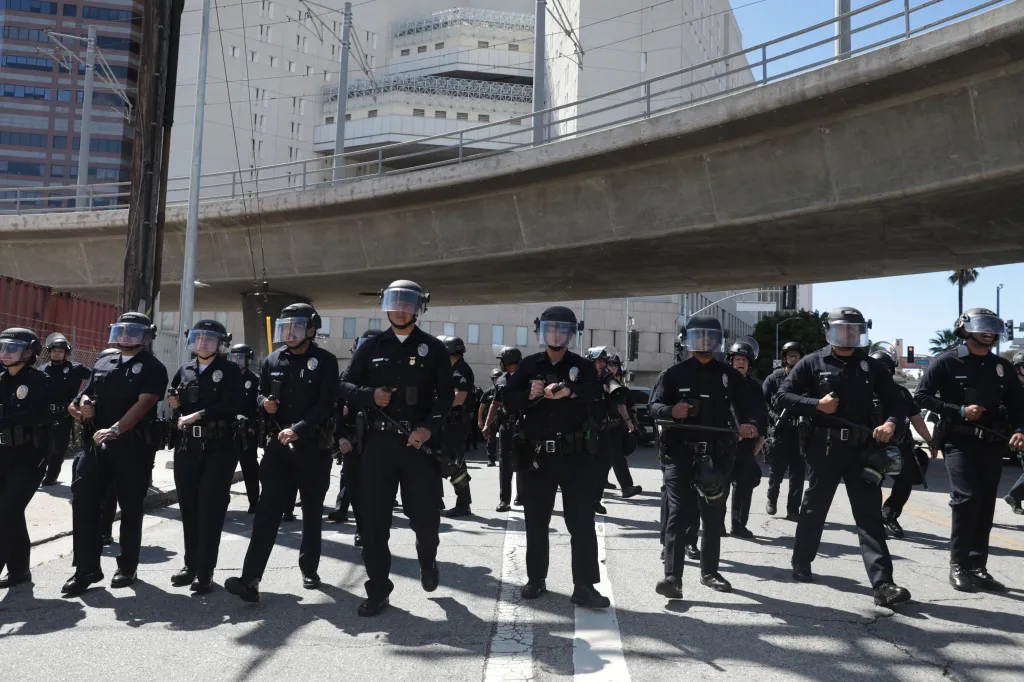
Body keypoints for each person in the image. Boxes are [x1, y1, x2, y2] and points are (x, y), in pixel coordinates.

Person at [777, 307, 911, 607]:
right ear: (829, 331)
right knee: (814, 509)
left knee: (869, 517)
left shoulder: (870, 366)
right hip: (824, 449)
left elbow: (897, 401)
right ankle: (801, 561)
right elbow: (783, 396)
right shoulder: (812, 362)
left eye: (854, 330)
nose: (848, 335)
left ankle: (883, 584)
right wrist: (816, 405)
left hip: (862, 451)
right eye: (842, 329)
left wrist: (891, 422)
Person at [338, 281, 453, 617]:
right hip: (378, 445)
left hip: (418, 446)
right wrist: (369, 396)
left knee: (426, 519)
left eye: (408, 304)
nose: (400, 309)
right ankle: (377, 590)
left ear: (419, 308)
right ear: (385, 306)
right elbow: (344, 385)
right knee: (374, 522)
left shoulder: (432, 348)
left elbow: (446, 395)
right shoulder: (372, 344)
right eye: (394, 303)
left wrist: (427, 428)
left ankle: (427, 559)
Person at [224, 303, 339, 603]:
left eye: (297, 327)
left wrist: (299, 428)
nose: (290, 333)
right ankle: (250, 579)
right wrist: (264, 403)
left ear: (312, 329)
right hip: (278, 448)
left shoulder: (325, 362)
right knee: (267, 511)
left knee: (311, 510)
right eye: (286, 328)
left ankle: (309, 568)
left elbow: (326, 404)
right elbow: (259, 392)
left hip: (313, 447)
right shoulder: (273, 359)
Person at [502, 306, 608, 608]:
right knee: (536, 521)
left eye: (563, 330)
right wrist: (529, 395)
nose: (556, 334)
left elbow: (596, 393)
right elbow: (508, 401)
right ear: (541, 332)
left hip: (575, 457)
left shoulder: (582, 366)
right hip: (536, 457)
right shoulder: (527, 365)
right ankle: (536, 578)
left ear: (571, 334)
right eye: (551, 329)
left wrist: (569, 392)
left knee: (581, 523)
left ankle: (585, 586)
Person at [915, 308, 1024, 592]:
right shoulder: (946, 362)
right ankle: (959, 564)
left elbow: (1018, 406)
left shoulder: (1003, 366)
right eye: (982, 326)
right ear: (965, 329)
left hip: (992, 442)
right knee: (966, 499)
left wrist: (1020, 430)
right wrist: (959, 410)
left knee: (986, 502)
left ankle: (978, 566)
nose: (989, 331)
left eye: (993, 327)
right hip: (958, 440)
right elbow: (922, 397)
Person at [650, 316, 758, 599]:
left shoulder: (730, 375)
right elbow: (654, 406)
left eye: (710, 337)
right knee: (678, 513)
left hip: (717, 456)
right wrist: (671, 411)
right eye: (699, 336)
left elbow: (751, 406)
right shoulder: (673, 374)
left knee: (713, 515)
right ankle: (672, 578)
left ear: (718, 340)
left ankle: (709, 572)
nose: (705, 342)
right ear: (688, 339)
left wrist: (750, 424)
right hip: (679, 454)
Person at [64, 313, 169, 595]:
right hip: (97, 446)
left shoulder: (152, 367)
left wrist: (116, 428)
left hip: (132, 447)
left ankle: (127, 566)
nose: (126, 338)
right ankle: (86, 568)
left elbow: (144, 404)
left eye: (133, 333)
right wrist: (82, 407)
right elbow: (80, 400)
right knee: (83, 502)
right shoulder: (104, 361)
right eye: (121, 332)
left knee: (131, 508)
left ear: (147, 337)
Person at [166, 320, 243, 593]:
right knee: (188, 506)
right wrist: (176, 405)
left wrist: (198, 414)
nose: (203, 343)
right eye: (199, 338)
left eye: (210, 339)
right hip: (188, 446)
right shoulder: (185, 370)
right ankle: (190, 565)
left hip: (219, 446)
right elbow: (176, 403)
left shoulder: (230, 370)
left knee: (210, 508)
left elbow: (232, 404)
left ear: (221, 343)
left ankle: (206, 571)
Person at [0, 328, 51, 588]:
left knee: (5, 513)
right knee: (11, 513)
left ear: (29, 352)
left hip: (30, 458)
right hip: (3, 455)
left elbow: (33, 416)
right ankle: (19, 571)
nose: (5, 353)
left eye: (12, 348)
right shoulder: (0, 379)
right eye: (3, 347)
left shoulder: (39, 381)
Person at [869, 342, 935, 538]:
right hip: (870, 447)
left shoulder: (902, 393)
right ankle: (871, 520)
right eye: (876, 369)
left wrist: (930, 440)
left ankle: (889, 515)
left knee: (905, 483)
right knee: (871, 485)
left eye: (885, 369)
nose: (881, 373)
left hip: (900, 445)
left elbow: (917, 419)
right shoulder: (860, 393)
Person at [328, 329, 383, 545]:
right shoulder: (348, 377)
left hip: (381, 440)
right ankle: (361, 527)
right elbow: (338, 409)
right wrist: (340, 437)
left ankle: (372, 531)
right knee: (354, 484)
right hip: (353, 439)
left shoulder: (386, 376)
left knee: (377, 489)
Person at [725, 337, 769, 539]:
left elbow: (762, 415)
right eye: (737, 359)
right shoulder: (722, 382)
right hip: (724, 444)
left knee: (745, 485)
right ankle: (716, 524)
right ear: (731, 361)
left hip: (747, 447)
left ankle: (739, 524)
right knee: (719, 485)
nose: (741, 362)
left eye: (744, 359)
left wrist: (759, 441)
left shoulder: (755, 387)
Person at [586, 346, 636, 515]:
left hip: (605, 430)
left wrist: (628, 420)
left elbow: (620, 402)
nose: (602, 364)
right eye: (598, 361)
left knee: (602, 467)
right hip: (587, 431)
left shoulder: (609, 381)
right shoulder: (585, 380)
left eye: (604, 361)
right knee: (585, 467)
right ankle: (583, 499)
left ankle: (595, 500)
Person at [38, 334, 90, 486]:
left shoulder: (75, 368)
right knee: (41, 445)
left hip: (64, 415)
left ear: (66, 353)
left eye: (60, 351)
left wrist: (81, 398)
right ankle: (38, 473)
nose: (57, 354)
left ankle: (51, 476)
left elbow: (95, 380)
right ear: (49, 352)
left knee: (58, 448)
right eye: (54, 351)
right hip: (44, 414)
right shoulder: (42, 369)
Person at [763, 341, 805, 521]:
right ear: (785, 358)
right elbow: (763, 402)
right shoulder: (774, 378)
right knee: (777, 471)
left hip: (800, 432)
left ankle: (793, 509)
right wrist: (773, 418)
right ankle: (772, 498)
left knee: (798, 473)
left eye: (797, 355)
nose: (794, 358)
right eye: (791, 355)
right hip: (779, 431)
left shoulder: (806, 379)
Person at [437, 335, 475, 518]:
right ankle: (439, 500)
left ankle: (463, 504)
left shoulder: (461, 371)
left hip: (454, 424)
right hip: (449, 423)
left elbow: (460, 397)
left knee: (454, 464)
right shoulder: (453, 369)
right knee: (446, 461)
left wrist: (438, 404)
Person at [488, 346, 522, 511]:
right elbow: (495, 404)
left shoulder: (526, 379)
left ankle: (522, 495)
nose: (500, 363)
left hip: (523, 426)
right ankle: (504, 500)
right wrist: (487, 424)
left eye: (502, 360)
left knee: (524, 460)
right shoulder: (501, 380)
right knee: (505, 463)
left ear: (509, 361)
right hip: (506, 427)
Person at [227, 344, 261, 513]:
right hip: (227, 430)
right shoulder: (226, 377)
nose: (237, 361)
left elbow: (258, 405)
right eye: (234, 358)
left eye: (241, 358)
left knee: (249, 467)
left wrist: (253, 426)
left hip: (247, 432)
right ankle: (221, 501)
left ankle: (254, 502)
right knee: (224, 468)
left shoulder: (254, 380)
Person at [605, 353, 642, 500]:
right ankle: (626, 487)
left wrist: (628, 420)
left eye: (615, 365)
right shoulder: (603, 380)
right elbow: (620, 404)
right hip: (605, 425)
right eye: (610, 364)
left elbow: (623, 403)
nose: (613, 368)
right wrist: (628, 420)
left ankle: (600, 482)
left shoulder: (615, 381)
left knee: (613, 455)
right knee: (617, 456)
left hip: (615, 423)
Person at [1002, 351, 1024, 515]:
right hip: (1016, 436)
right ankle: (1014, 496)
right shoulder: (1011, 389)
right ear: (1017, 369)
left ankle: (1014, 496)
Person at [480, 367, 502, 468]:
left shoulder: (505, 390)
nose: (497, 380)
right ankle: (491, 459)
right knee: (491, 439)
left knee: (505, 438)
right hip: (491, 419)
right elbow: (482, 407)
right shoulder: (488, 392)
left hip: (503, 419)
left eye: (499, 378)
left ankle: (504, 458)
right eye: (495, 378)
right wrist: (480, 420)